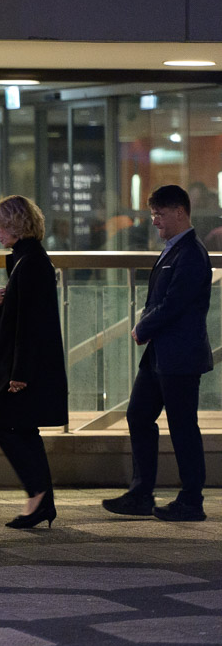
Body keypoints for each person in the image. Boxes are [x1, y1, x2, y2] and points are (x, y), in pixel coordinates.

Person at [103, 184, 212, 522]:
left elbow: (175, 303)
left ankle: (191, 500)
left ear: (179, 212)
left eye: (159, 214)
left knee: (182, 427)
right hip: (160, 355)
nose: (154, 221)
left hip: (179, 356)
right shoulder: (174, 250)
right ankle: (141, 494)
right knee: (138, 415)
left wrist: (143, 327)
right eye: (153, 214)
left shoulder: (190, 253)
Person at [0, 196, 67, 529]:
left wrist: (20, 373)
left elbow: (31, 323)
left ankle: (39, 496)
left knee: (3, 423)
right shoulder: (25, 260)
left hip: (23, 366)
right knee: (23, 428)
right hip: (25, 363)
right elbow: (20, 317)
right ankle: (41, 499)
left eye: (0, 227)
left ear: (15, 225)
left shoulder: (30, 263)